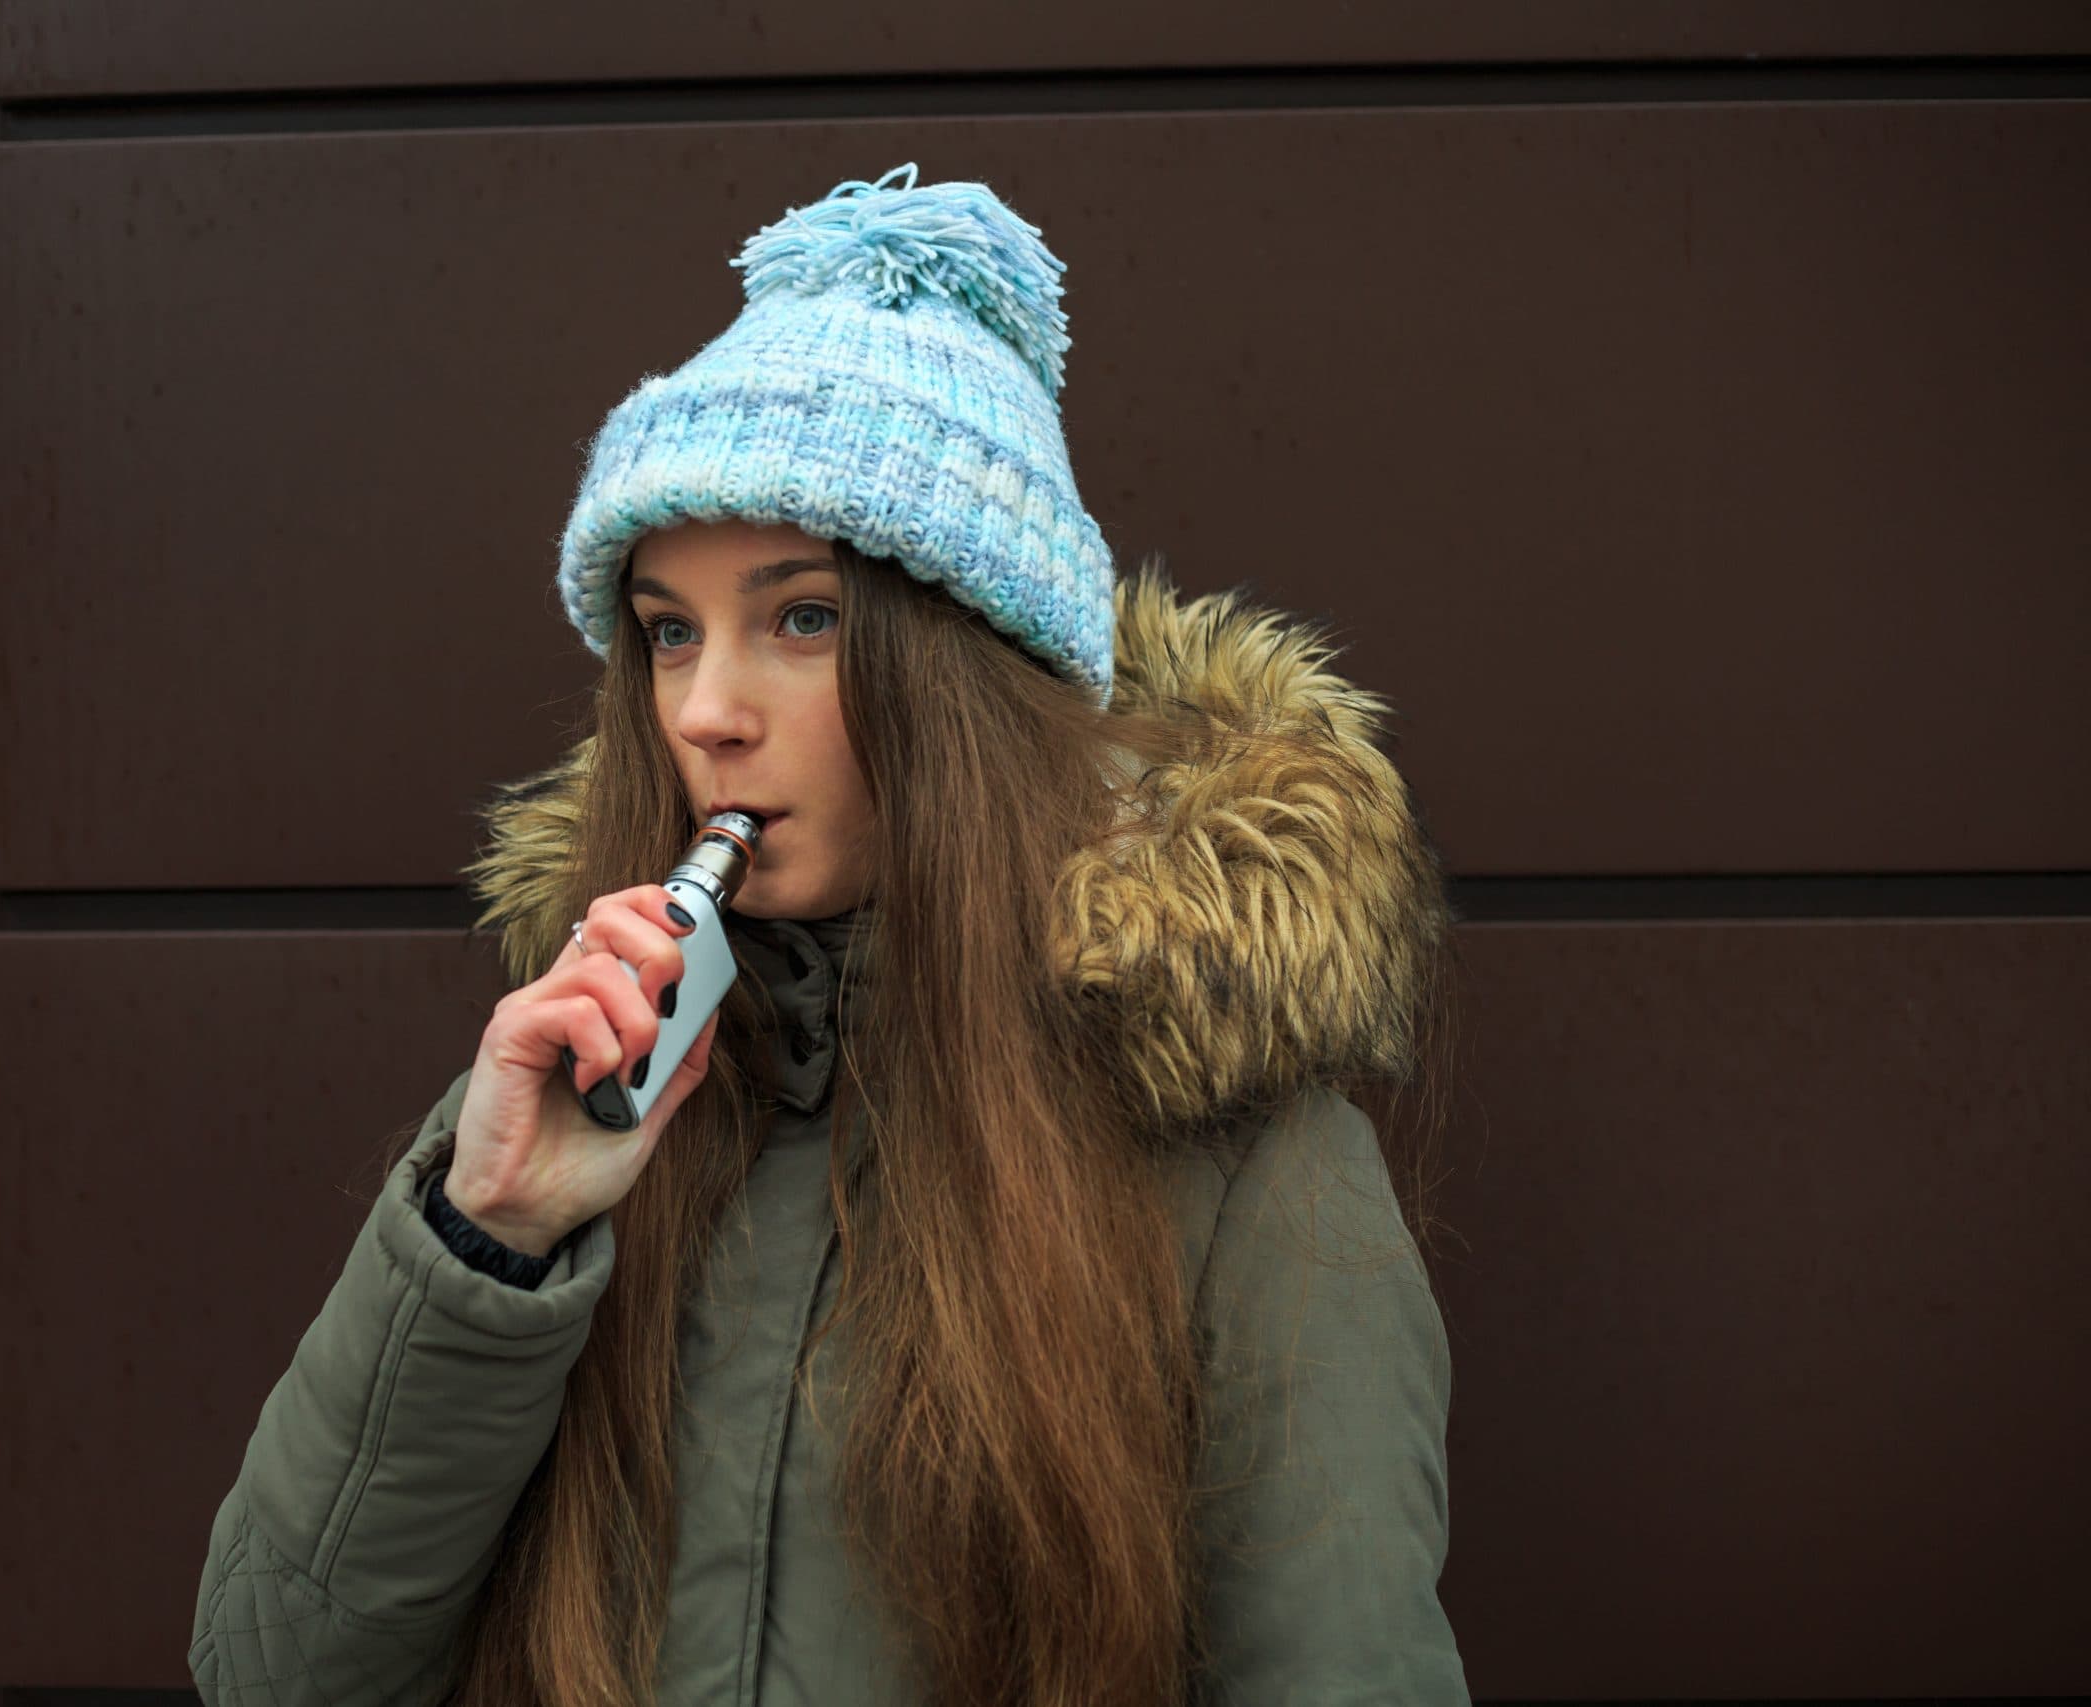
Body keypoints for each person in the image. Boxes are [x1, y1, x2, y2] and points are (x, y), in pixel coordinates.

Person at [189, 163, 1467, 1706]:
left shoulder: (1243, 1170)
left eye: (803, 618)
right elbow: (270, 1673)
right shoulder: (583, 1098)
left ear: (971, 676)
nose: (707, 714)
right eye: (669, 629)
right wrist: (488, 1244)